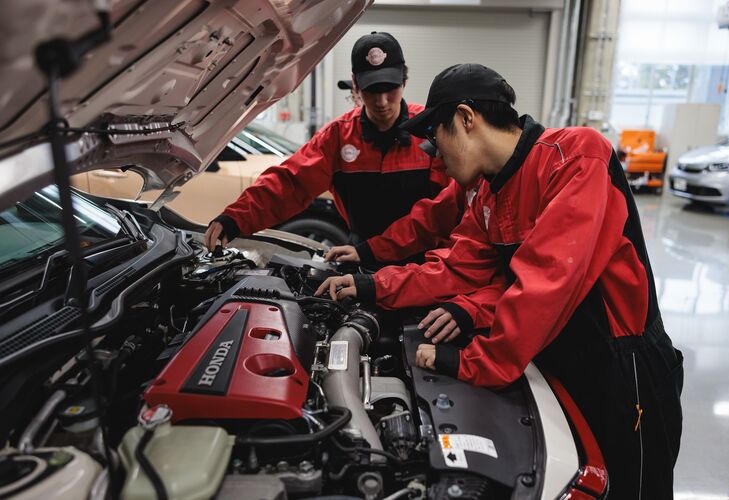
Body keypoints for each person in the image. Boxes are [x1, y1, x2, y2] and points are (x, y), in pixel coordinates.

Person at [316, 63, 684, 500]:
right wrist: (372, 285)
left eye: (437, 134)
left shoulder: (576, 156)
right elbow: (456, 268)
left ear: (467, 119)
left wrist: (473, 361)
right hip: (555, 356)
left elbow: (546, 280)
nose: (434, 152)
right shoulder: (489, 194)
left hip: (622, 372)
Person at [204, 32, 454, 265]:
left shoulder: (431, 130)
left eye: (390, 88)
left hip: (428, 263)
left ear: (405, 80)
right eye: (371, 90)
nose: (381, 101)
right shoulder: (338, 136)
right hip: (362, 259)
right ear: (356, 85)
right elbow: (291, 184)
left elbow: (443, 210)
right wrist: (236, 218)